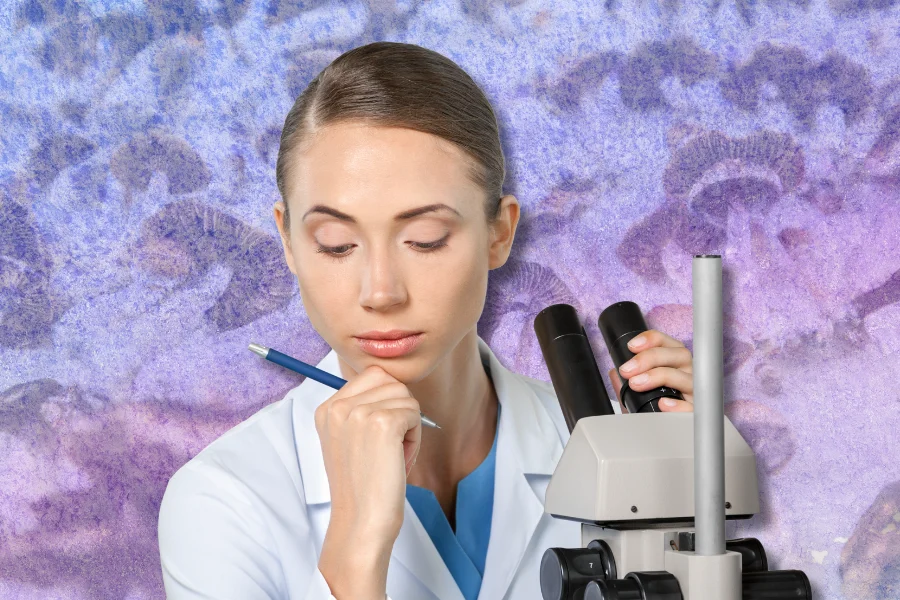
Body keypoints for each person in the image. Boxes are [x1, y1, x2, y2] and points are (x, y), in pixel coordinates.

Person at [157, 41, 696, 600]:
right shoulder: (221, 502)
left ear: (499, 232)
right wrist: (353, 560)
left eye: (425, 240)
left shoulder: (606, 447)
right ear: (289, 241)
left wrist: (690, 501)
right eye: (336, 245)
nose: (381, 292)